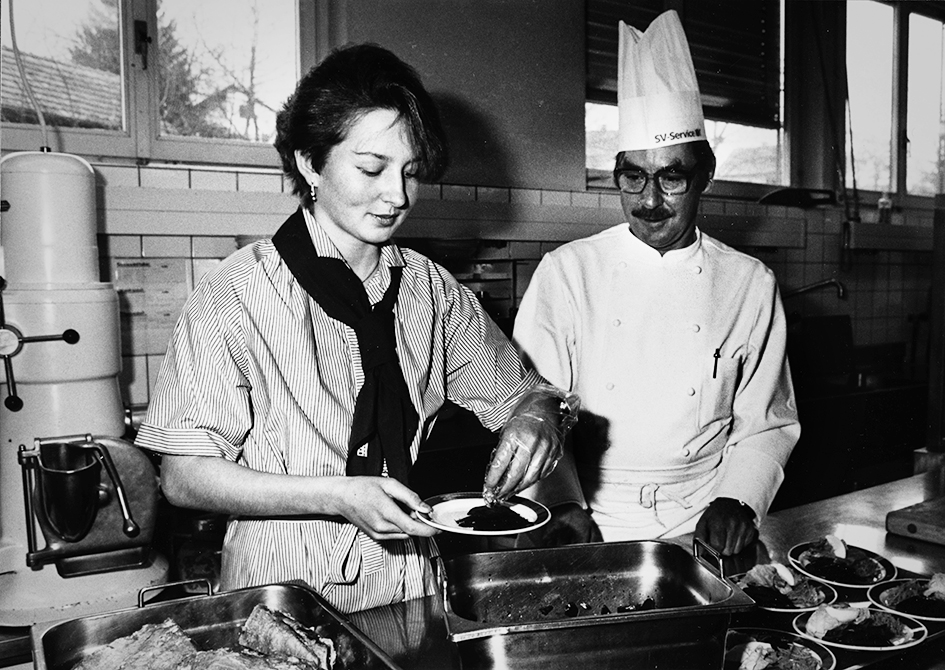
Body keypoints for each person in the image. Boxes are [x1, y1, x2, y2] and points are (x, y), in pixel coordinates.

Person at [135, 43, 577, 613]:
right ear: (309, 163)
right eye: (371, 168)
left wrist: (539, 412)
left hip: (410, 586)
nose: (397, 196)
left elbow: (522, 395)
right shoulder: (237, 294)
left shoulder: (430, 290)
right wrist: (338, 496)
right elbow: (183, 475)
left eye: (411, 172)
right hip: (284, 596)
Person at [512, 11, 799, 556]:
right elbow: (531, 409)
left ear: (706, 175)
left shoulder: (749, 283)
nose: (649, 200)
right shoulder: (567, 273)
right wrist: (563, 503)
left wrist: (738, 500)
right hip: (586, 520)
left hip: (702, 521)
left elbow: (767, 420)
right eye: (633, 177)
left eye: (672, 177)